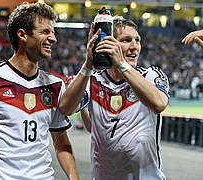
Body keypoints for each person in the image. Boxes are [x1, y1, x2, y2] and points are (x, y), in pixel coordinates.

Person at [0, 2, 79, 180]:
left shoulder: (55, 85)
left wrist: (74, 177)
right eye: (45, 32)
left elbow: (61, 141)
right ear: (22, 35)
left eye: (53, 32)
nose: (53, 39)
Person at [59, 16, 170, 180]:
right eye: (126, 40)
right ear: (109, 44)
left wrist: (121, 64)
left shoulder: (151, 75)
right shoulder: (93, 81)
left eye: (137, 40)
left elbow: (159, 103)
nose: (134, 47)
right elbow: (67, 109)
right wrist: (88, 63)